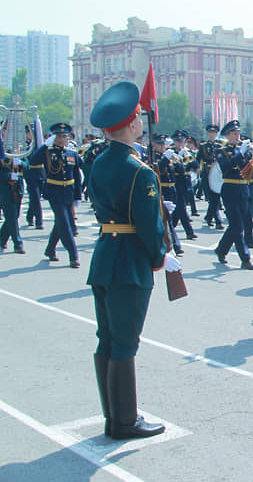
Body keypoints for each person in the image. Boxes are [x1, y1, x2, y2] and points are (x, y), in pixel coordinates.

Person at [86, 81, 180, 439]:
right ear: (130, 123)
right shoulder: (139, 170)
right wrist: (161, 257)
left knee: (107, 339)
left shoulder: (98, 164)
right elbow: (148, 226)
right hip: (130, 263)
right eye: (139, 117)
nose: (142, 121)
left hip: (105, 256)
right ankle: (125, 422)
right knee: (125, 343)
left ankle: (113, 416)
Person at [28, 123, 82, 267]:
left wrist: (78, 196)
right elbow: (32, 161)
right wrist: (45, 146)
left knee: (61, 222)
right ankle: (74, 256)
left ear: (68, 138)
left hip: (68, 193)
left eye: (64, 136)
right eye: (58, 136)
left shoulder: (72, 154)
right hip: (54, 193)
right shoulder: (48, 152)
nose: (61, 139)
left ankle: (50, 250)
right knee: (65, 225)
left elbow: (77, 176)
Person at [214, 120, 253, 270]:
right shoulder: (220, 149)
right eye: (234, 133)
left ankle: (221, 249)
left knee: (239, 224)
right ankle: (245, 259)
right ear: (227, 135)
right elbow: (226, 166)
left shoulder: (243, 150)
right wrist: (241, 153)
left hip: (244, 189)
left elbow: (250, 170)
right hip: (230, 189)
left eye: (238, 133)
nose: (237, 136)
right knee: (237, 226)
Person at [0, 130, 26, 253]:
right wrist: (8, 176)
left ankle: (1, 239)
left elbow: (28, 165)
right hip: (4, 187)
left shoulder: (18, 149)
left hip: (18, 186)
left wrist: (21, 163)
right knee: (11, 215)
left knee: (15, 215)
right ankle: (18, 243)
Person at [198, 124, 224, 229]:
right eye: (210, 133)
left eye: (214, 133)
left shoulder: (221, 145)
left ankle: (209, 217)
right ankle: (218, 221)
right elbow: (198, 158)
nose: (212, 134)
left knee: (215, 198)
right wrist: (197, 168)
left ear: (217, 134)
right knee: (213, 198)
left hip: (218, 174)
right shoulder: (203, 146)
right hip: (208, 174)